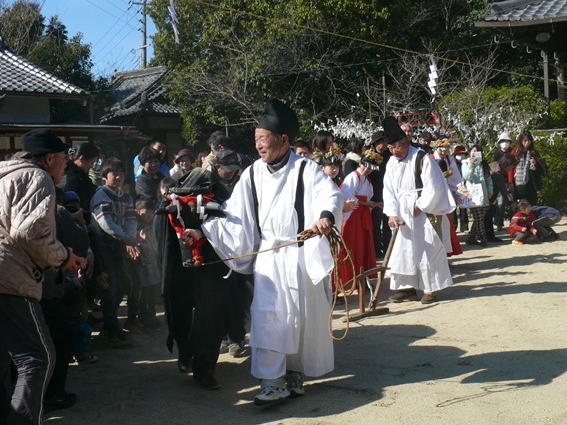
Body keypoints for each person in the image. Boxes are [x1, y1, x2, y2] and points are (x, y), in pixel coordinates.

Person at [203, 99, 343, 406]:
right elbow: (234, 216)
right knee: (268, 318)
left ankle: (293, 373)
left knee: (300, 319)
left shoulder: (305, 168)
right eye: (255, 141)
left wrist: (324, 218)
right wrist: (205, 227)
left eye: (262, 141)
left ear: (284, 140)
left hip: (299, 254)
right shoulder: (252, 174)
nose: (258, 147)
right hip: (269, 257)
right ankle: (271, 382)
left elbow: (329, 195)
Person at [0, 128, 86, 425]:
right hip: (10, 279)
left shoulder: (5, 176)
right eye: (64, 158)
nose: (66, 164)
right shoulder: (38, 177)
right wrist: (64, 257)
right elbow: (29, 232)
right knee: (38, 357)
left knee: (4, 361)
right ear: (49, 158)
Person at [381, 116, 455, 305]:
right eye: (390, 148)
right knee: (402, 249)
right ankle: (406, 287)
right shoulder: (390, 163)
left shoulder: (421, 158)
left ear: (405, 143)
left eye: (396, 147)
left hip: (421, 210)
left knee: (427, 248)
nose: (394, 151)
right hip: (401, 211)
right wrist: (391, 213)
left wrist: (420, 204)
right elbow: (388, 190)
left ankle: (431, 287)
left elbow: (434, 185)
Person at [89, 158, 139, 348]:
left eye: (120, 173)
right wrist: (127, 238)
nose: (118, 176)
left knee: (120, 288)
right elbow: (105, 224)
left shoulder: (125, 197)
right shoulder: (102, 195)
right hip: (102, 247)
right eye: (113, 173)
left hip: (118, 245)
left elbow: (130, 220)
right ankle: (111, 331)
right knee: (109, 289)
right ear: (104, 177)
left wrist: (130, 237)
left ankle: (109, 329)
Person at [339, 148, 382, 284]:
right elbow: (347, 196)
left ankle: (362, 277)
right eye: (365, 166)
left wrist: (372, 204)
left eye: (370, 168)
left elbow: (368, 197)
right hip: (353, 215)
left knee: (363, 246)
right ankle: (350, 278)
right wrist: (366, 204)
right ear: (360, 163)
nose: (367, 170)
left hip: (363, 214)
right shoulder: (353, 176)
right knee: (353, 245)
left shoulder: (366, 180)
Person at [461, 145, 493, 247]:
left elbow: (488, 179)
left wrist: (490, 191)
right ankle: (483, 238)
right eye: (473, 151)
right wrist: (471, 164)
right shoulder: (465, 163)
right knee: (478, 217)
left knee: (480, 218)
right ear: (469, 152)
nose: (475, 153)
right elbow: (467, 177)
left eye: (477, 152)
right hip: (472, 195)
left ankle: (471, 238)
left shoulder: (483, 165)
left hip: (483, 194)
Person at [368, 130, 392, 259]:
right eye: (382, 142)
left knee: (388, 220)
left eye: (386, 141)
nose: (385, 144)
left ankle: (388, 246)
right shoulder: (369, 156)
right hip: (375, 193)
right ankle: (377, 248)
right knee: (375, 223)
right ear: (375, 143)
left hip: (388, 191)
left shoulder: (390, 155)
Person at [65, 142, 100, 225]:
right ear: (82, 159)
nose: (92, 167)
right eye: (92, 163)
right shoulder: (72, 176)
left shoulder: (82, 175)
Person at [509, 130, 547, 205]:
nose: (527, 143)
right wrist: (510, 182)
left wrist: (535, 163)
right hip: (517, 182)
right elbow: (510, 168)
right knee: (519, 205)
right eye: (525, 141)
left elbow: (541, 168)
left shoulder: (533, 152)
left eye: (529, 141)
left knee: (531, 205)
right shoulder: (515, 152)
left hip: (530, 182)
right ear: (521, 140)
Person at [486, 153, 517, 242]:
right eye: (511, 166)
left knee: (485, 217)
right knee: (487, 217)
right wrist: (511, 203)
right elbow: (503, 189)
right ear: (506, 164)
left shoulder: (495, 165)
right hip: (488, 196)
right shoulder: (497, 172)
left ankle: (485, 236)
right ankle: (489, 237)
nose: (511, 168)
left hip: (489, 196)